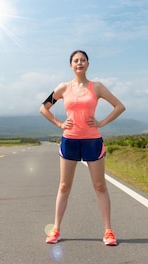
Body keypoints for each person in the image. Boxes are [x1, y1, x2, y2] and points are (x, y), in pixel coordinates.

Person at [39, 50, 125, 246]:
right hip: (70, 140)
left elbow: (119, 106)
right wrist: (60, 124)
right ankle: (56, 229)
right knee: (64, 186)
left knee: (99, 185)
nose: (79, 63)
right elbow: (43, 108)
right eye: (76, 60)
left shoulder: (98, 87)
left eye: (83, 60)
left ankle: (108, 231)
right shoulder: (63, 88)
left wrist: (101, 123)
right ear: (71, 65)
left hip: (92, 141)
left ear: (88, 64)